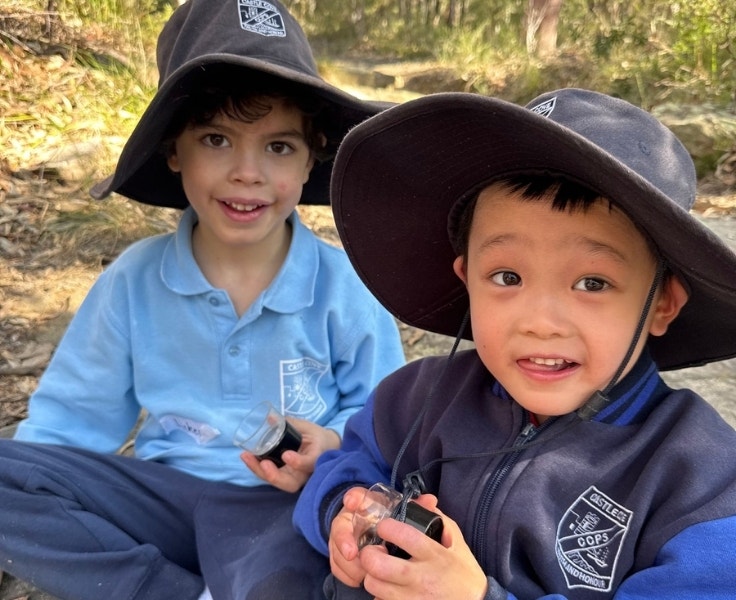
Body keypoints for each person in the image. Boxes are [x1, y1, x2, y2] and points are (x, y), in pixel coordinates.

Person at [0, 1, 405, 599]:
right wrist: (35, 497)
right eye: (216, 139)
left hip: (282, 511)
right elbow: (67, 430)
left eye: (278, 147)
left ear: (312, 154)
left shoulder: (343, 286)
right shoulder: (135, 281)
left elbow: (386, 428)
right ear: (172, 150)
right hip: (166, 501)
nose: (248, 173)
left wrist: (333, 448)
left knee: (340, 574)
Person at [293, 88, 736, 599]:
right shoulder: (412, 400)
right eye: (506, 277)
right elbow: (346, 467)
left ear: (662, 304)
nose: (540, 322)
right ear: (467, 279)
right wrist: (343, 520)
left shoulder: (701, 478)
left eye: (592, 283)